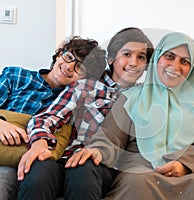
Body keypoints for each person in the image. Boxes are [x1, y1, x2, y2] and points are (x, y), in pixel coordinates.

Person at [66, 32, 194, 199]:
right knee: (136, 182)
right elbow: (111, 136)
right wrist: (98, 150)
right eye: (169, 56)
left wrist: (185, 164)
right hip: (143, 165)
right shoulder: (131, 96)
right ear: (157, 58)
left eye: (185, 61)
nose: (175, 66)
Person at [17, 27, 154, 200]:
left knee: (83, 170)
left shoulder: (144, 95)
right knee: (38, 171)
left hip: (99, 165)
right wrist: (39, 143)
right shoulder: (85, 86)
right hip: (64, 157)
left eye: (141, 57)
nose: (134, 62)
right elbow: (48, 118)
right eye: (127, 54)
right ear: (111, 58)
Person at [0, 36, 105, 200]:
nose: (69, 67)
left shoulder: (73, 101)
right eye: (68, 57)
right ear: (58, 55)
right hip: (3, 150)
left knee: (4, 182)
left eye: (79, 68)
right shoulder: (16, 75)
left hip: (27, 161)